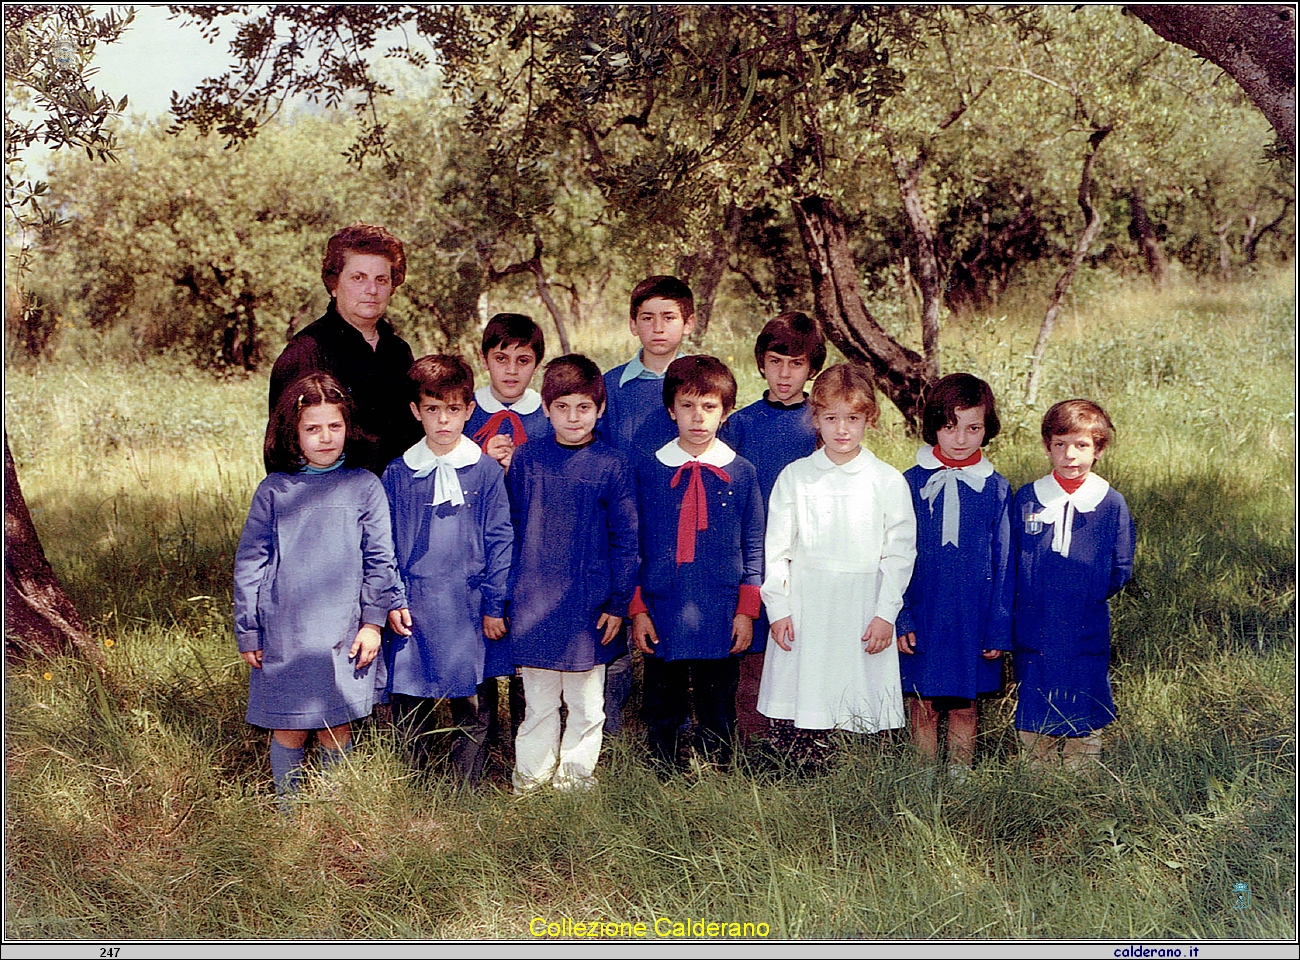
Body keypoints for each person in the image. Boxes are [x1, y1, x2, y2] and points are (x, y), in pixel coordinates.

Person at [234, 373, 402, 810]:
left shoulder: (365, 485)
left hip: (345, 631)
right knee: (288, 726)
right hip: (284, 631)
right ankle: (289, 812)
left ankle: (331, 812)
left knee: (336, 725)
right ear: (294, 432)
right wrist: (249, 631)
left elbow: (380, 560)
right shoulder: (274, 490)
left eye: (334, 426)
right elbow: (250, 562)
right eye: (313, 428)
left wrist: (373, 623)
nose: (325, 438)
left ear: (348, 426)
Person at [759, 363, 916, 763]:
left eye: (853, 418)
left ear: (869, 419)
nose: (842, 429)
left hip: (862, 606)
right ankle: (798, 775)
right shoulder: (796, 477)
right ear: (815, 418)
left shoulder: (886, 481)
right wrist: (777, 609)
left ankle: (854, 773)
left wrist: (885, 614)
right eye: (831, 418)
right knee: (804, 695)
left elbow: (900, 555)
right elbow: (776, 549)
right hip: (806, 606)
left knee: (857, 699)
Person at [506, 355, 639, 792]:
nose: (573, 417)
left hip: (590, 606)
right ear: (545, 409)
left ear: (600, 409)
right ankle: (531, 780)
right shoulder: (528, 461)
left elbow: (626, 540)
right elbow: (511, 529)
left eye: (583, 407)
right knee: (539, 704)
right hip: (536, 605)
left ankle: (575, 783)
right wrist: (509, 599)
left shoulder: (612, 464)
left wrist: (619, 603)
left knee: (586, 705)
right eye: (562, 407)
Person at [380, 355, 513, 787]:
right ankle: (414, 783)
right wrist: (393, 598)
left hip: (469, 604)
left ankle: (466, 787)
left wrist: (495, 603)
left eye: (453, 410)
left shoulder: (486, 471)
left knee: (473, 699)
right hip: (414, 604)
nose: (443, 421)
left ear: (469, 410)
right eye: (432, 409)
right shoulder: (398, 473)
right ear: (416, 410)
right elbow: (383, 545)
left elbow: (499, 539)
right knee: (410, 696)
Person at [631, 356, 765, 771]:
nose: (697, 417)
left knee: (718, 702)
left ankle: (718, 773)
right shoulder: (650, 470)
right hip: (663, 604)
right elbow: (633, 544)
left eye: (709, 407)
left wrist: (746, 611)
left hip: (720, 607)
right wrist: (637, 610)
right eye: (687, 405)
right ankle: (665, 776)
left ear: (725, 413)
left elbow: (755, 545)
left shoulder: (741, 473)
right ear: (670, 409)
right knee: (662, 702)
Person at [897, 373, 1013, 778]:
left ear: (987, 427)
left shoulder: (997, 488)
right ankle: (923, 777)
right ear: (933, 426)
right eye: (950, 427)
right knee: (923, 700)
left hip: (973, 617)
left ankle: (961, 779)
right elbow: (895, 556)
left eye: (972, 428)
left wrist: (997, 628)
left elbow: (1005, 561)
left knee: (966, 702)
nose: (961, 438)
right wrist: (902, 616)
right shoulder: (908, 483)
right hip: (925, 612)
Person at [720, 311, 826, 744]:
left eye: (796, 364)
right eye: (776, 361)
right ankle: (755, 745)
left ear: (812, 369)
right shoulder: (740, 424)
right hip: (754, 557)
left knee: (802, 643)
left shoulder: (823, 424)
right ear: (761, 363)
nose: (785, 373)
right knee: (755, 652)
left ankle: (804, 742)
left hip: (808, 556)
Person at [1011, 398, 1135, 772]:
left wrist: (1085, 594)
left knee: (1084, 705)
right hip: (1035, 627)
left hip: (1084, 625)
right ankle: (1038, 780)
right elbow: (1015, 559)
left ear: (1098, 449)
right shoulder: (1028, 499)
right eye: (1061, 444)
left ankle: (1080, 781)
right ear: (1048, 445)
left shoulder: (1110, 503)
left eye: (1081, 445)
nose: (1070, 454)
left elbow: (1120, 567)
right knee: (1037, 703)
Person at [598, 275, 697, 736]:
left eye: (669, 317)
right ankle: (608, 731)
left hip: (683, 525)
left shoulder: (701, 383)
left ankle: (682, 727)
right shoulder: (612, 386)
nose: (659, 327)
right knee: (617, 625)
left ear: (688, 322)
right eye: (648, 318)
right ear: (633, 324)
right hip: (622, 525)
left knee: (676, 625)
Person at [269, 222, 423, 473]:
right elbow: (282, 453)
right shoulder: (306, 353)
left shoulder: (398, 352)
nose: (372, 290)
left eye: (381, 279)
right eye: (358, 277)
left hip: (396, 500)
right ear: (333, 283)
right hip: (332, 504)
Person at [466, 313, 550, 472]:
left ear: (537, 364)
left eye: (523, 361)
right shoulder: (464, 411)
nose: (512, 370)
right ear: (484, 359)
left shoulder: (549, 415)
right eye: (501, 359)